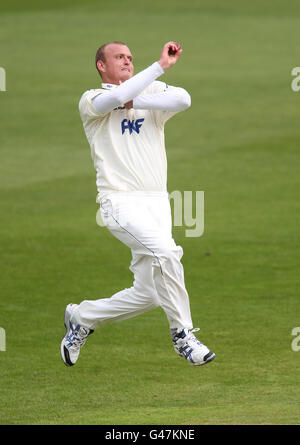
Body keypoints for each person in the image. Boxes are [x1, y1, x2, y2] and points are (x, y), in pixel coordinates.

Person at [60, 41, 215, 367]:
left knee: (149, 295)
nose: (127, 61)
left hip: (158, 203)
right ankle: (183, 335)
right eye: (119, 57)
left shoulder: (150, 91)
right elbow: (115, 98)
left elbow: (184, 98)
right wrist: (159, 66)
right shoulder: (92, 100)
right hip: (119, 201)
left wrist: (139, 98)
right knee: (168, 252)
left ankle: (81, 317)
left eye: (130, 57)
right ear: (102, 65)